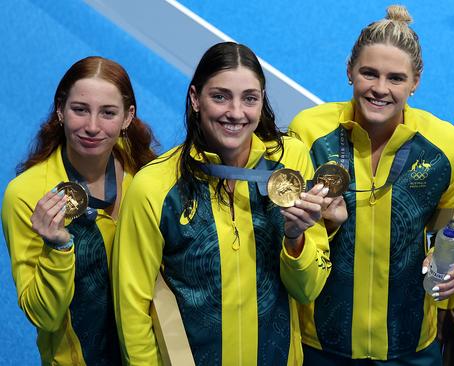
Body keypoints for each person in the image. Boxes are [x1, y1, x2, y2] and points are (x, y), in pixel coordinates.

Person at [112, 42, 332, 365]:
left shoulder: (290, 163)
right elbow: (132, 310)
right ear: (195, 99)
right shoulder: (154, 187)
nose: (236, 112)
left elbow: (309, 289)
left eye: (249, 98)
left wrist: (296, 238)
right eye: (220, 96)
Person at [289, 5, 454, 364]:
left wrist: (444, 267)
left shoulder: (446, 146)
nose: (380, 89)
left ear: (415, 82)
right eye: (369, 74)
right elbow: (290, 228)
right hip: (319, 343)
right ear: (349, 70)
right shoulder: (310, 133)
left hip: (410, 348)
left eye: (396, 78)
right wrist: (326, 225)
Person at [1, 56, 157, 365]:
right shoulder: (27, 195)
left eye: (108, 113)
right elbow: (43, 316)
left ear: (128, 117)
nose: (92, 127)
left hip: (146, 351)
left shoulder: (143, 170)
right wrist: (58, 247)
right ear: (60, 110)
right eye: (80, 109)